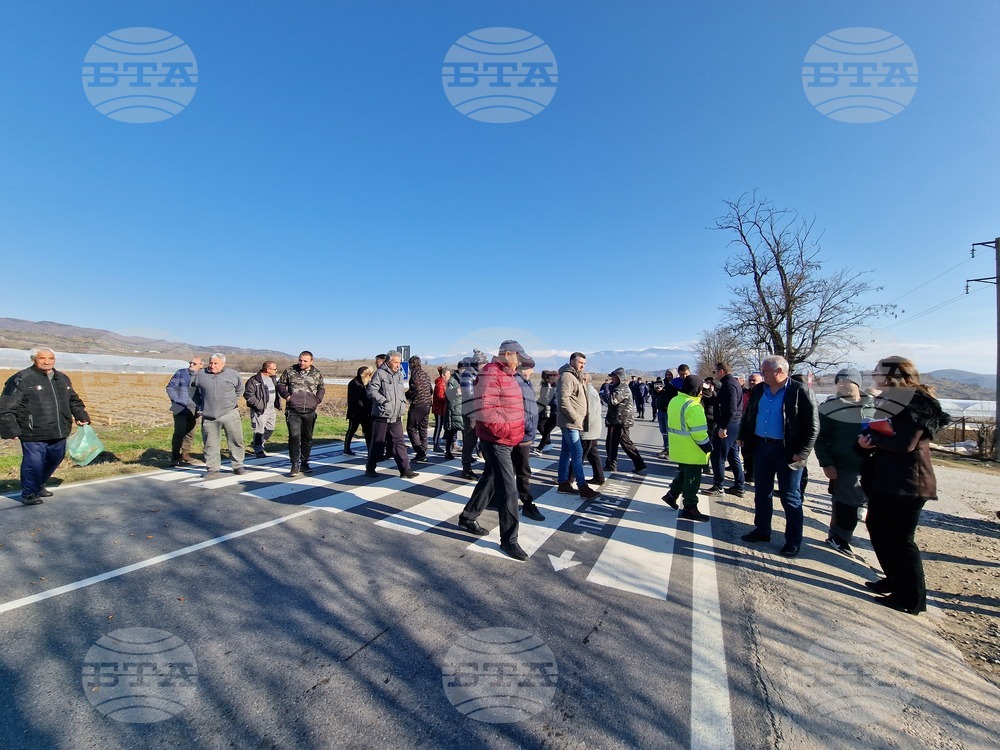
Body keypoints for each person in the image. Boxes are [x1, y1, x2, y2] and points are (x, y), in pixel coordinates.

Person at [858, 356, 949, 615]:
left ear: (891, 374)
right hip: (886, 479)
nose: (873, 375)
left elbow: (904, 443)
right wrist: (865, 441)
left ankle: (912, 598)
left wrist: (872, 438)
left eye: (876, 371)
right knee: (878, 528)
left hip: (909, 482)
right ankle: (894, 579)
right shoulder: (889, 400)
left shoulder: (919, 402)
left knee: (900, 539)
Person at [456, 340, 531, 561]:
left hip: (508, 437)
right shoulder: (490, 374)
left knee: (490, 478)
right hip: (496, 438)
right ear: (507, 354)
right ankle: (509, 540)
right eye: (518, 357)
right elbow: (485, 410)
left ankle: (468, 517)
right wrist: (505, 429)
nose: (519, 362)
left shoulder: (506, 374)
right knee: (508, 488)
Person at [737, 354, 818, 558]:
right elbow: (749, 415)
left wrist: (803, 452)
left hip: (788, 452)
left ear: (779, 371)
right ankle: (762, 530)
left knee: (790, 497)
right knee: (762, 492)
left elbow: (813, 426)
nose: (761, 374)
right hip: (762, 448)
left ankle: (792, 541)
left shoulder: (800, 391)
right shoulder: (759, 391)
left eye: (764, 371)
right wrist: (742, 436)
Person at [0, 347, 91, 505]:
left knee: (55, 458)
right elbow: (6, 405)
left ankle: (38, 484)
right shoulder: (21, 379)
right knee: (34, 462)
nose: (47, 361)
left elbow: (73, 400)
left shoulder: (62, 378)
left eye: (51, 358)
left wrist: (81, 415)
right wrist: (10, 428)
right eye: (42, 358)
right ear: (34, 359)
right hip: (32, 431)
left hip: (59, 429)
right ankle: (29, 492)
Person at [815, 366, 874, 557]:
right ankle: (838, 538)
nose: (840, 385)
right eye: (838, 382)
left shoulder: (873, 406)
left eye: (844, 381)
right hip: (844, 464)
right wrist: (826, 463)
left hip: (874, 465)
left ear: (856, 383)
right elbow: (820, 438)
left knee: (865, 504)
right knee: (846, 503)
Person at [661, 374, 712, 521]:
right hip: (692, 449)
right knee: (693, 479)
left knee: (685, 473)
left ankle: (671, 495)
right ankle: (690, 508)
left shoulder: (675, 401)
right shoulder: (693, 406)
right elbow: (699, 433)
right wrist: (708, 447)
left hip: (678, 448)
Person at [190, 353, 246, 478]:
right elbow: (192, 391)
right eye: (211, 363)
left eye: (216, 363)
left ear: (223, 364)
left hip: (230, 413)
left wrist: (232, 401)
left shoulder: (233, 374)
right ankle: (212, 467)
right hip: (209, 415)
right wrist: (201, 404)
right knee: (210, 443)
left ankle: (238, 465)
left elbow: (240, 390)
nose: (212, 365)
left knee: (236, 440)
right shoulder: (200, 374)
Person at [365, 351, 418, 479]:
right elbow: (371, 391)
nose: (398, 365)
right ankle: (370, 467)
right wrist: (384, 401)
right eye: (396, 362)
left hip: (396, 415)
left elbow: (399, 393)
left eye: (399, 362)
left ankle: (405, 470)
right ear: (388, 361)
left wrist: (404, 402)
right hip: (382, 414)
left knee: (399, 443)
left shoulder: (399, 375)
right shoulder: (380, 373)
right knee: (378, 443)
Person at [556, 352, 600, 499]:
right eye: (580, 362)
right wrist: (575, 418)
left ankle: (563, 483)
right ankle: (582, 486)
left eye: (584, 363)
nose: (582, 365)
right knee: (577, 453)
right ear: (572, 361)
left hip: (573, 423)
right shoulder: (567, 377)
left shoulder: (575, 376)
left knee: (566, 453)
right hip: (570, 423)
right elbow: (563, 400)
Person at [277, 351, 325, 477]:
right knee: (294, 436)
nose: (302, 363)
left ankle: (304, 462)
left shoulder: (317, 373)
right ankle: (294, 463)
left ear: (311, 361)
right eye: (300, 360)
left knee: (307, 438)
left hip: (309, 410)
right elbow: (280, 384)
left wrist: (317, 400)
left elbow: (321, 388)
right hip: (293, 410)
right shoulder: (290, 371)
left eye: (305, 361)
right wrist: (287, 396)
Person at [706, 362, 746, 498]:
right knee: (733, 455)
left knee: (718, 456)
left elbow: (731, 409)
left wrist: (723, 427)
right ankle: (740, 486)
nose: (714, 374)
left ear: (721, 371)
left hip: (728, 425)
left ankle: (719, 486)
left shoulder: (729, 385)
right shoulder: (732, 383)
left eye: (714, 371)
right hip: (734, 424)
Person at [513, 360, 545, 521]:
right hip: (521, 435)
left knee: (509, 470)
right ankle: (527, 504)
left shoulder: (525, 382)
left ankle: (494, 499)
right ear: (524, 368)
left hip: (524, 434)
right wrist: (526, 427)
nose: (532, 372)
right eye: (531, 368)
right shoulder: (517, 382)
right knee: (523, 471)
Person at [604, 368, 648, 476]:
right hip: (618, 420)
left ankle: (614, 464)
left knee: (619, 443)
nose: (612, 379)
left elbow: (611, 401)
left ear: (619, 378)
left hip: (619, 421)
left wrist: (604, 393)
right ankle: (613, 464)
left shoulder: (622, 388)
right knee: (614, 443)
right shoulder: (618, 387)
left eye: (613, 377)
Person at [166, 356, 203, 466]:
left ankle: (185, 454)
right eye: (190, 363)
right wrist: (177, 400)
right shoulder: (181, 373)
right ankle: (175, 455)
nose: (191, 365)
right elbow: (170, 387)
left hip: (194, 408)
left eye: (194, 364)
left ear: (201, 366)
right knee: (179, 432)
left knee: (190, 433)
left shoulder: (203, 376)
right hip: (179, 406)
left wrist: (201, 406)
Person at [459, 349, 488, 479]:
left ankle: (488, 467)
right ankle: (466, 468)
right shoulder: (468, 374)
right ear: (477, 363)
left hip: (481, 412)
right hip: (471, 412)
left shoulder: (481, 375)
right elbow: (468, 394)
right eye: (483, 363)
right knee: (470, 441)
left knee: (485, 440)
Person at [244, 361, 281, 458]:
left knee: (270, 428)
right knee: (259, 430)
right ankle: (258, 450)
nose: (276, 370)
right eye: (274, 369)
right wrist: (259, 405)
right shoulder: (254, 380)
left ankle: (258, 442)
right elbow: (248, 395)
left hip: (271, 409)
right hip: (260, 410)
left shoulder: (272, 378)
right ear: (268, 369)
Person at [405, 355, 433, 462]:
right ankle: (424, 450)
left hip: (418, 404)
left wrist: (407, 395)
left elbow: (415, 388)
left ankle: (420, 452)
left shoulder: (415, 374)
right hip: (427, 404)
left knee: (411, 428)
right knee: (423, 428)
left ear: (412, 364)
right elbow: (430, 389)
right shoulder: (425, 374)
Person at [580, 372, 605, 486]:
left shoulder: (589, 392)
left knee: (579, 456)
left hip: (588, 429)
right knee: (592, 454)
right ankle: (599, 477)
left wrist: (583, 429)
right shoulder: (588, 391)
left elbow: (589, 413)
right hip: (591, 428)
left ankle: (568, 479)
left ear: (586, 380)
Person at [344, 366, 374, 455]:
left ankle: (370, 450)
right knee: (352, 430)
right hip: (355, 412)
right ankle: (346, 448)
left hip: (366, 412)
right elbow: (355, 399)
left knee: (368, 432)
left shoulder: (368, 383)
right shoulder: (353, 383)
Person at [443, 362, 466, 460]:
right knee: (450, 433)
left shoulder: (466, 379)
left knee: (466, 434)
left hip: (464, 409)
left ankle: (466, 455)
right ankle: (448, 451)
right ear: (459, 368)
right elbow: (448, 395)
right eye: (464, 369)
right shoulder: (452, 380)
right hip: (454, 410)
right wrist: (457, 391)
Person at [534, 370, 558, 454]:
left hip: (553, 411)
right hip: (550, 410)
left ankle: (542, 447)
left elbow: (551, 400)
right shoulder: (548, 386)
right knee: (545, 428)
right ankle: (545, 445)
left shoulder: (553, 387)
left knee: (543, 427)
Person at [655, 369, 677, 458]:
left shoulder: (676, 384)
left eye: (670, 374)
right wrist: (657, 391)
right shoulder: (663, 383)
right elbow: (657, 395)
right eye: (667, 374)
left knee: (669, 432)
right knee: (663, 431)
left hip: (670, 411)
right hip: (661, 410)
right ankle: (666, 448)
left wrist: (664, 391)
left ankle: (671, 450)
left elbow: (674, 396)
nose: (668, 376)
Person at [431, 365, 451, 452]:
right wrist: (448, 398)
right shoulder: (440, 383)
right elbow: (440, 396)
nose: (449, 376)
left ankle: (445, 441)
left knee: (445, 426)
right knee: (438, 426)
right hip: (439, 408)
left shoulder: (444, 383)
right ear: (443, 375)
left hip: (443, 408)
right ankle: (435, 444)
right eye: (448, 374)